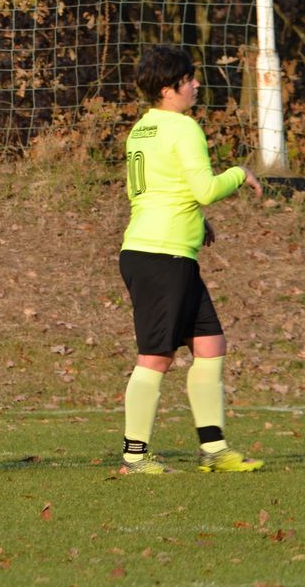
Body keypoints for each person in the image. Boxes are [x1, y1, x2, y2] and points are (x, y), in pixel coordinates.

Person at [113, 45, 264, 475]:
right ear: (168, 89)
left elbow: (156, 189)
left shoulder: (142, 128)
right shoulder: (183, 127)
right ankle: (134, 456)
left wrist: (198, 221)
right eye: (188, 79)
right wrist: (239, 173)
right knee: (156, 357)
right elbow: (205, 189)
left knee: (210, 344)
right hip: (162, 255)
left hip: (160, 250)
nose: (196, 84)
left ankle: (213, 449)